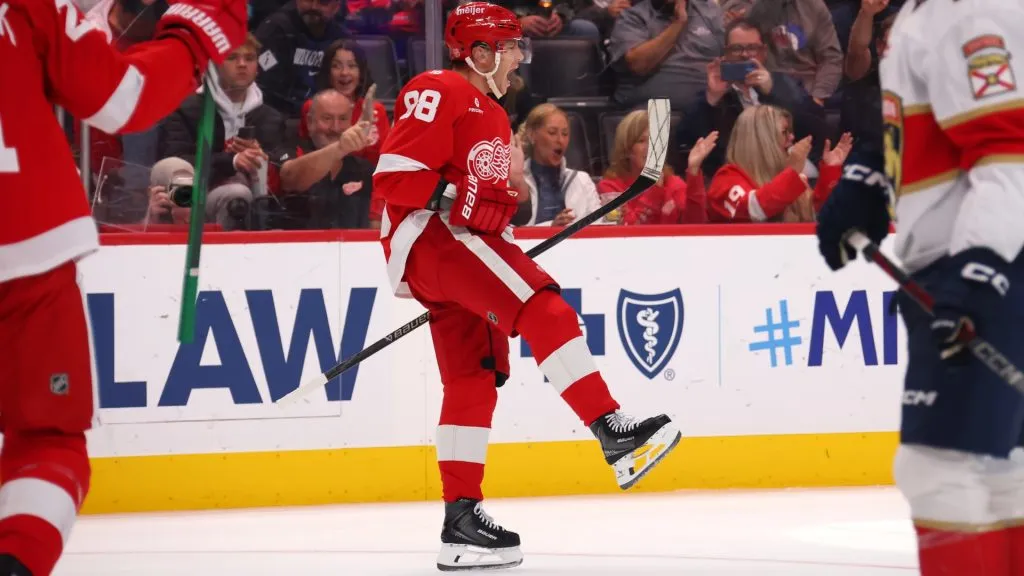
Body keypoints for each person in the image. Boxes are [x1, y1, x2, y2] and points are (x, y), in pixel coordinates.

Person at [372, 3, 681, 571]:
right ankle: (613, 432)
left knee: (474, 376)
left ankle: (461, 520)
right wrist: (457, 201)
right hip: (434, 240)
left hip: (451, 247)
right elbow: (395, 177)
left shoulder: (489, 110)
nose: (520, 56)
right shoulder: (438, 86)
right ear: (481, 53)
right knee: (545, 308)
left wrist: (499, 203)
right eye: (511, 46)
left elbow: (481, 202)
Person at [0, 0, 246, 574]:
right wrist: (190, 40)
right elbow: (115, 96)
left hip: (31, 246)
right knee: (47, 440)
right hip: (26, 243)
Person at [814, 2, 1024, 574]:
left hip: (985, 259)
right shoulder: (925, 15)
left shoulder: (968, 14)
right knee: (1001, 470)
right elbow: (919, 122)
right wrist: (867, 180)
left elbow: (1008, 157)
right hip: (978, 260)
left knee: (942, 467)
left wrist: (978, 271)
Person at [706, 105, 850, 223]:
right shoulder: (727, 179)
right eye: (784, 132)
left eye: (790, 131)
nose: (792, 137)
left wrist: (831, 171)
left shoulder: (792, 176)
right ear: (763, 140)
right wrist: (792, 172)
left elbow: (821, 214)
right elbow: (755, 209)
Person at [600, 110, 716, 225]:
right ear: (626, 149)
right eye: (641, 141)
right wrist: (654, 192)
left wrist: (693, 170)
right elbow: (624, 236)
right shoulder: (610, 189)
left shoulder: (673, 184)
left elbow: (697, 226)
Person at [510, 103, 602, 227]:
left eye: (565, 134)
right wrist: (551, 228)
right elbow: (508, 231)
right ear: (532, 135)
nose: (560, 140)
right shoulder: (516, 181)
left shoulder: (582, 180)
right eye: (552, 133)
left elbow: (598, 227)